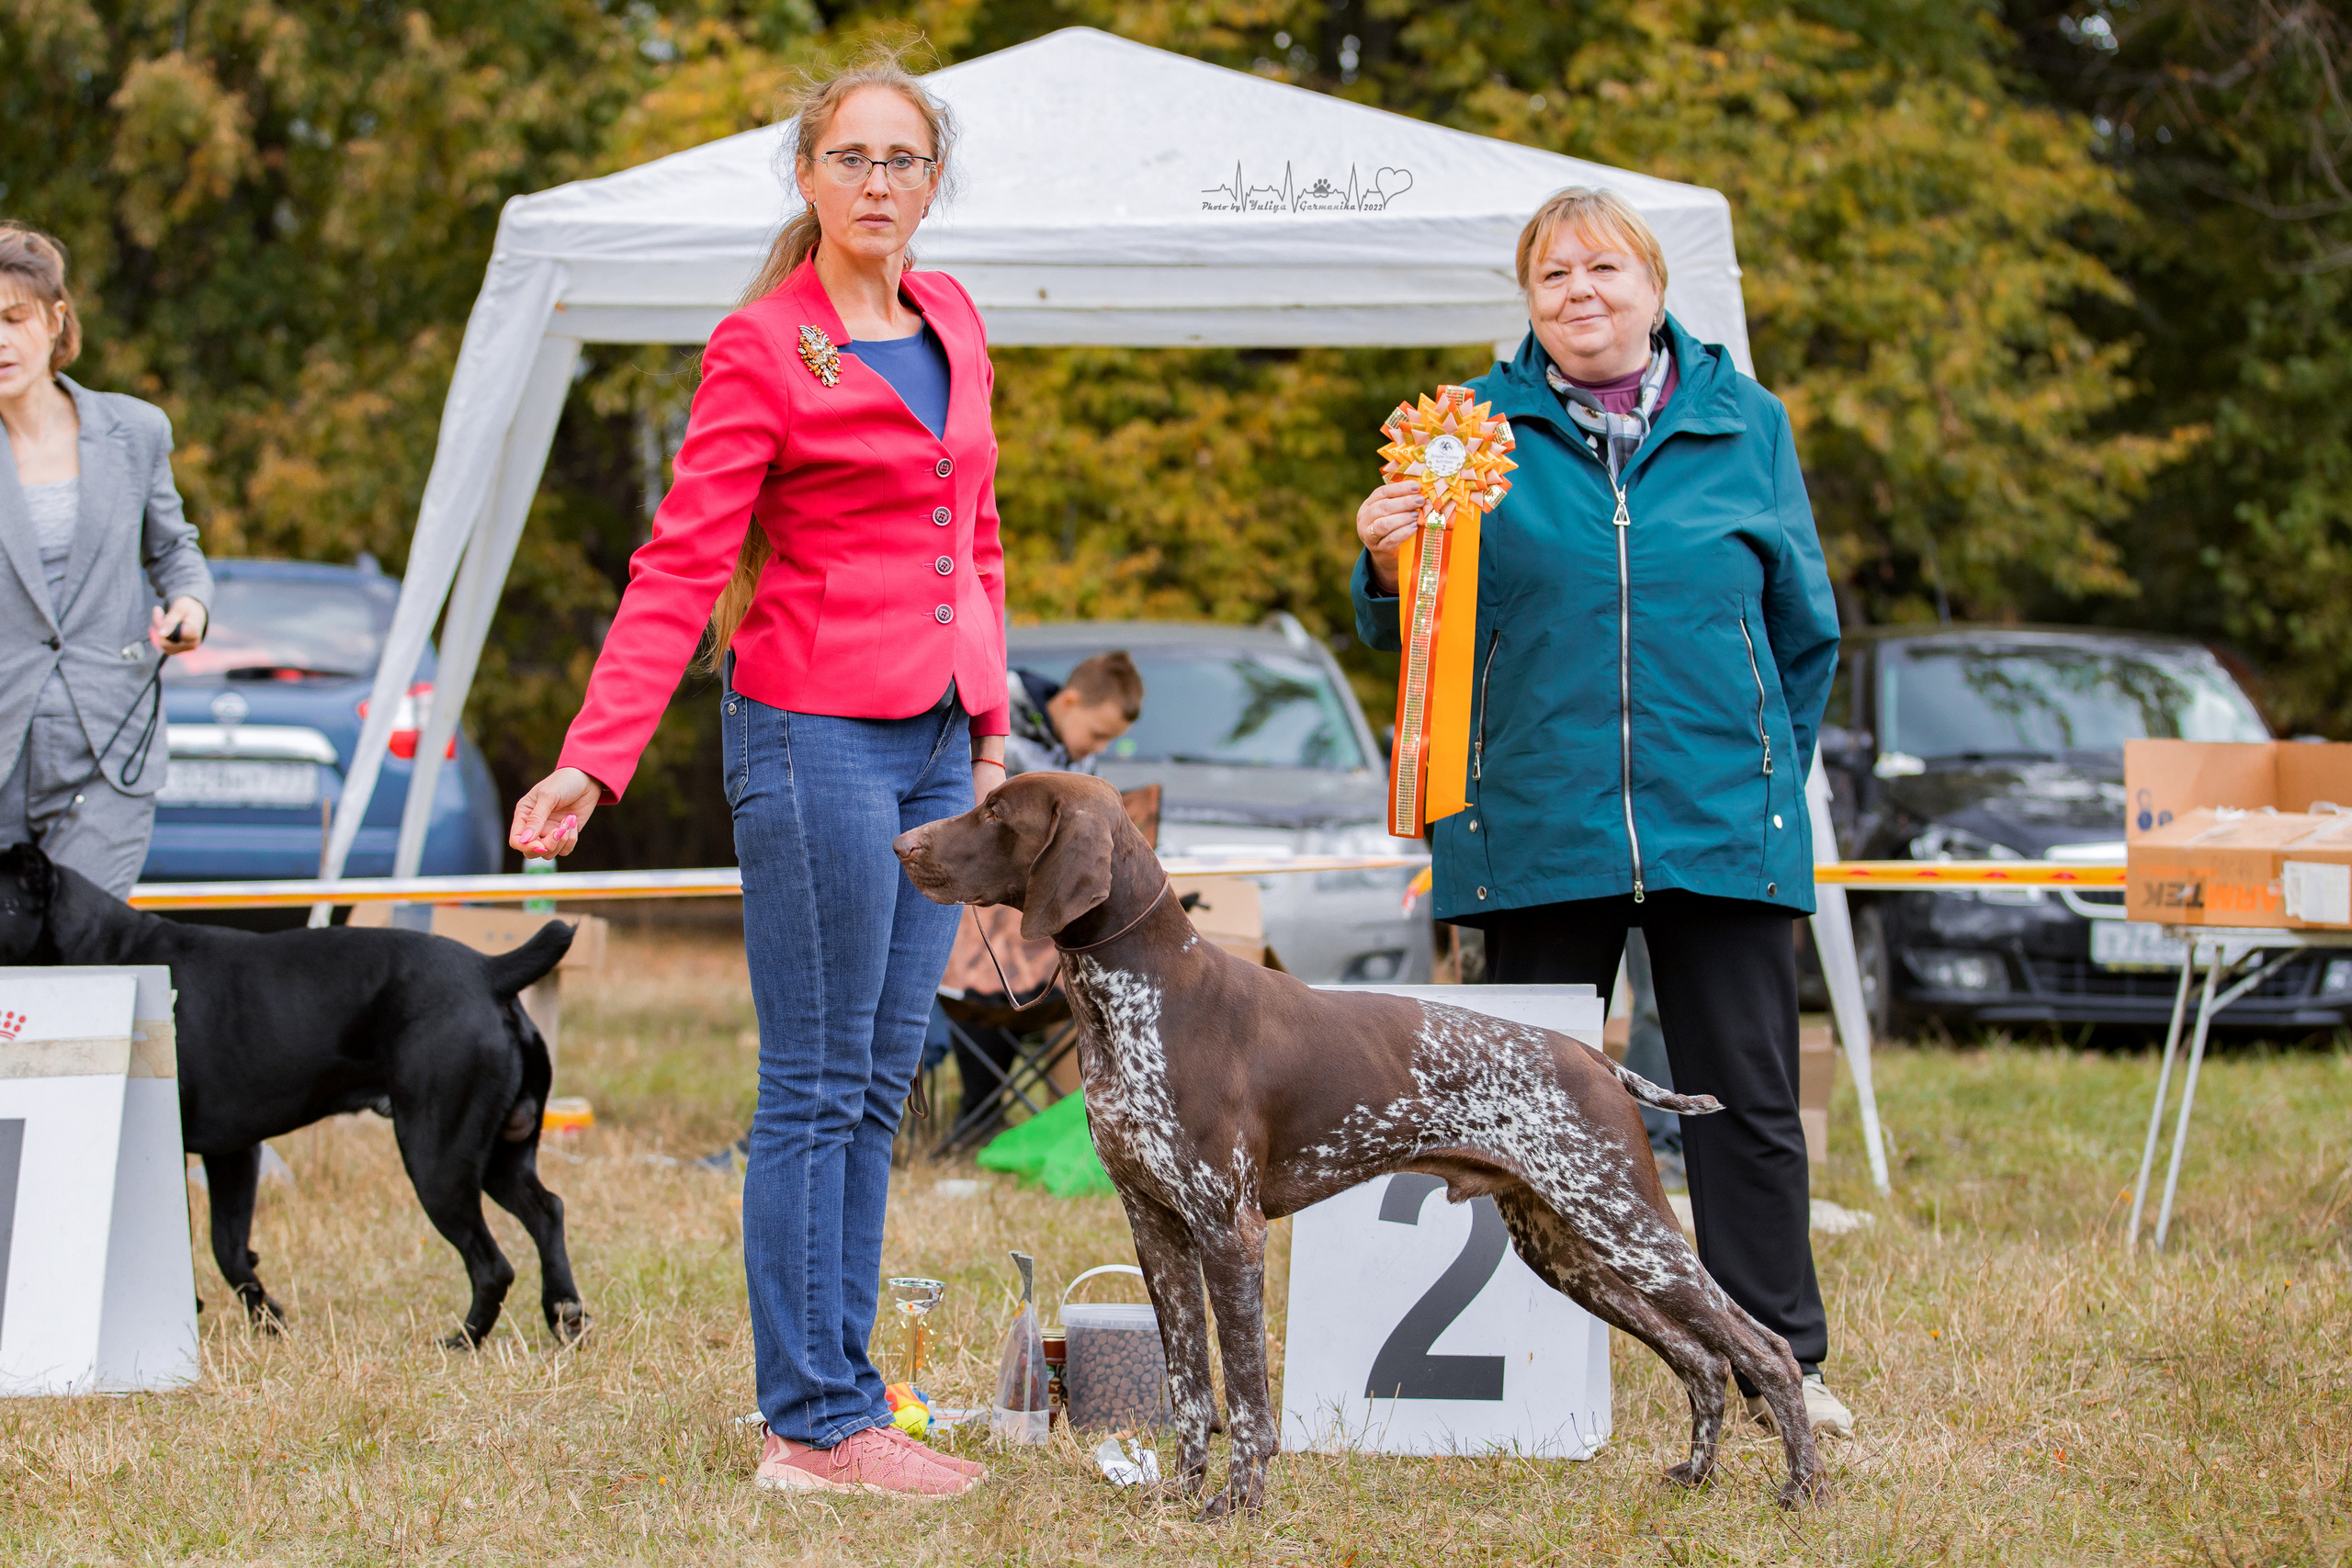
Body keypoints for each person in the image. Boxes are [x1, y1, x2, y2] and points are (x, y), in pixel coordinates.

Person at [508, 53, 1003, 1497]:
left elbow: (971, 526)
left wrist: (987, 707)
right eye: (850, 158)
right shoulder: (760, 345)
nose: (876, 183)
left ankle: (845, 1397)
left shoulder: (954, 316)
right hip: (808, 727)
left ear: (932, 181)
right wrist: (595, 760)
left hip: (932, 741)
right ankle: (810, 1425)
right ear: (806, 175)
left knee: (880, 1083)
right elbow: (679, 564)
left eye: (903, 160)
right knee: (818, 1075)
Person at [1351, 186, 1851, 1437]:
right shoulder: (1464, 431)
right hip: (1533, 824)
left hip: (1719, 821)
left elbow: (1805, 630)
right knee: (1509, 1109)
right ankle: (1520, 1363)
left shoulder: (1751, 424)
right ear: (1529, 302)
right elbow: (1410, 637)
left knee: (1745, 1104)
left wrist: (1754, 774)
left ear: (1656, 284)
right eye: (1553, 276)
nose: (1582, 292)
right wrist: (1380, 558)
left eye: (1605, 268)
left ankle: (1781, 1359)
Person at [0, 222, 210, 897]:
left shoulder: (136, 429)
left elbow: (174, 548)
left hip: (108, 741)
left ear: (57, 317)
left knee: (85, 954)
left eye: (13, 318)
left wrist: (191, 605)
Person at [1001, 649, 1142, 777]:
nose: (1101, 749)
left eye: (1110, 740)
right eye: (1097, 735)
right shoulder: (998, 715)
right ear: (1069, 702)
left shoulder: (1083, 763)